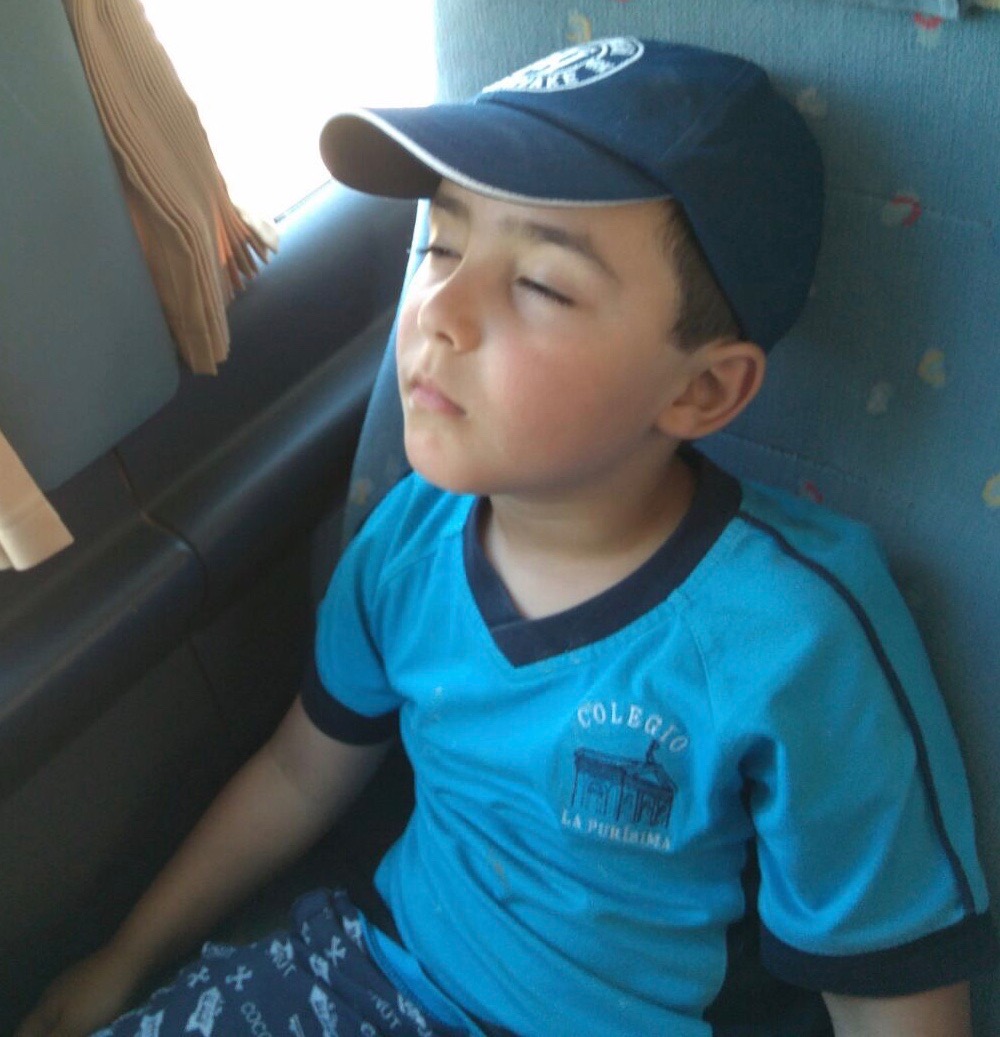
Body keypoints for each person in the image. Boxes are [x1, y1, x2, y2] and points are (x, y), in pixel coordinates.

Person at [18, 36, 998, 1037]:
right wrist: (125, 958)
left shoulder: (792, 634)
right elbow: (298, 773)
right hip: (361, 976)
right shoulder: (408, 537)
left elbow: (887, 989)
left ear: (702, 388)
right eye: (441, 247)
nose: (437, 310)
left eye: (540, 283)